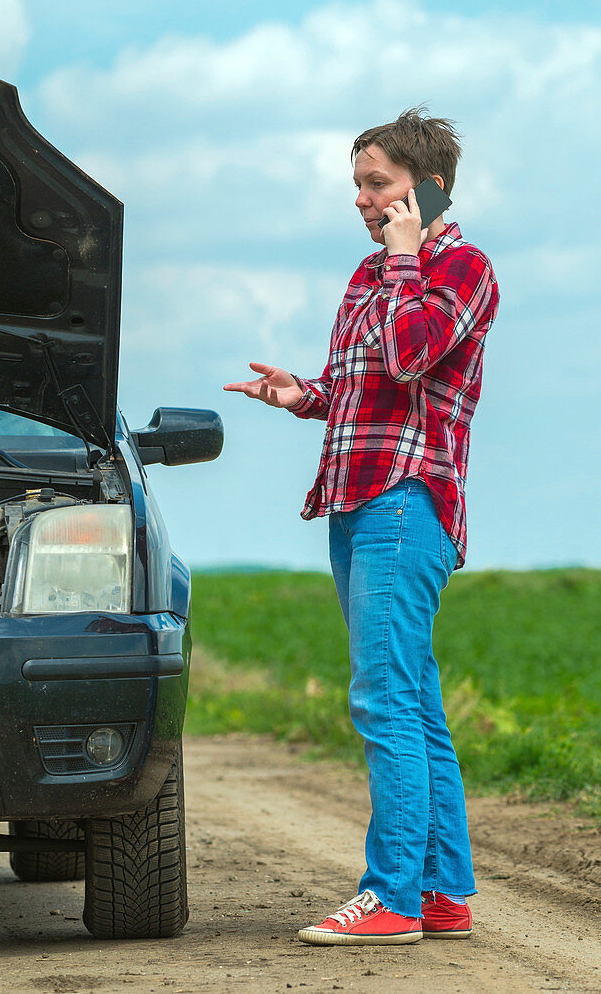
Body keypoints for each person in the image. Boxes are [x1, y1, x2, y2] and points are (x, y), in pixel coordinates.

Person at [223, 108, 499, 946]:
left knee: (383, 699)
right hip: (355, 499)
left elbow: (414, 354)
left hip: (408, 502)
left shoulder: (461, 267)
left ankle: (392, 900)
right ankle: (442, 892)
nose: (362, 200)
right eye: (358, 186)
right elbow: (368, 391)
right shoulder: (368, 273)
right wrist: (302, 397)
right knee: (412, 701)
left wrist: (407, 259)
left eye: (377, 183)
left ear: (429, 186)